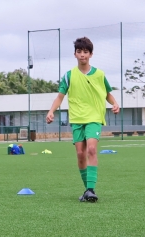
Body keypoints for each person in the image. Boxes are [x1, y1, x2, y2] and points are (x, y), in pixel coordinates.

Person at [46, 37, 120, 202]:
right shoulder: (69, 76)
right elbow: (60, 96)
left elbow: (107, 93)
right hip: (77, 118)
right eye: (79, 52)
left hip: (94, 117)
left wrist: (115, 103)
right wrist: (51, 111)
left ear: (90, 54)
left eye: (85, 52)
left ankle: (91, 189)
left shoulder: (99, 74)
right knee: (80, 154)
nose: (82, 55)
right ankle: (87, 190)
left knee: (92, 150)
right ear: (75, 54)